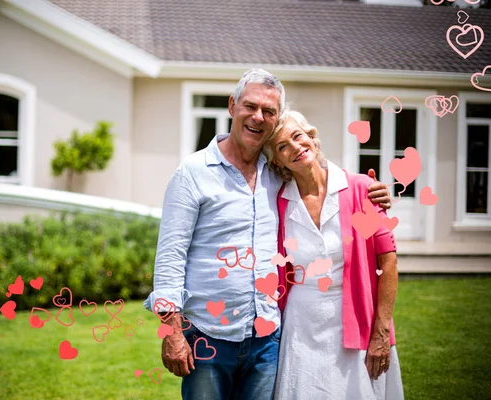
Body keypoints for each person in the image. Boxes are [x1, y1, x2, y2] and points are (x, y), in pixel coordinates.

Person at [143, 69, 391, 400]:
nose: (258, 117)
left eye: (269, 111)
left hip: (267, 339)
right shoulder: (192, 174)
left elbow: (319, 176)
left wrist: (370, 190)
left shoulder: (277, 173)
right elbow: (170, 257)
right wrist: (171, 331)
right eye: (251, 106)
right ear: (232, 106)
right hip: (208, 338)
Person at [265, 109, 404, 400]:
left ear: (312, 138)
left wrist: (380, 333)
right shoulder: (277, 201)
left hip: (355, 319)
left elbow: (388, 263)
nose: (295, 147)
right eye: (282, 146)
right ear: (276, 161)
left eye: (298, 136)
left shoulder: (361, 189)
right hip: (301, 326)